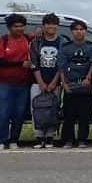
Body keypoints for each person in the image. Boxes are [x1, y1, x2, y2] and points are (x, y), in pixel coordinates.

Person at [0, 13, 33, 150]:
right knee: (3, 112)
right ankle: (0, 141)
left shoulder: (27, 39)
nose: (19, 29)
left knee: (19, 113)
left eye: (21, 26)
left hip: (23, 83)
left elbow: (42, 36)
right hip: (3, 83)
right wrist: (20, 64)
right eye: (16, 26)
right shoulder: (2, 41)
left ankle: (14, 140)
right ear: (9, 27)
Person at [58, 20, 92, 148]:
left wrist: (88, 78)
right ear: (72, 31)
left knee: (84, 115)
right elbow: (61, 67)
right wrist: (64, 84)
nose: (79, 31)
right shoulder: (65, 48)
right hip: (70, 85)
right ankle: (68, 140)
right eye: (76, 29)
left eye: (81, 29)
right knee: (69, 115)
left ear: (85, 31)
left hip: (85, 85)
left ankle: (82, 140)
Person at [28, 13, 62, 148]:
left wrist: (54, 82)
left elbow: (62, 64)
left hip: (56, 81)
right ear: (43, 26)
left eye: (54, 23)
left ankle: (50, 137)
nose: (51, 26)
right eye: (48, 24)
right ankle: (38, 137)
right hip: (37, 81)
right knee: (36, 108)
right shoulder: (36, 42)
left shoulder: (62, 42)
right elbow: (34, 63)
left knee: (53, 108)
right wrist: (41, 82)